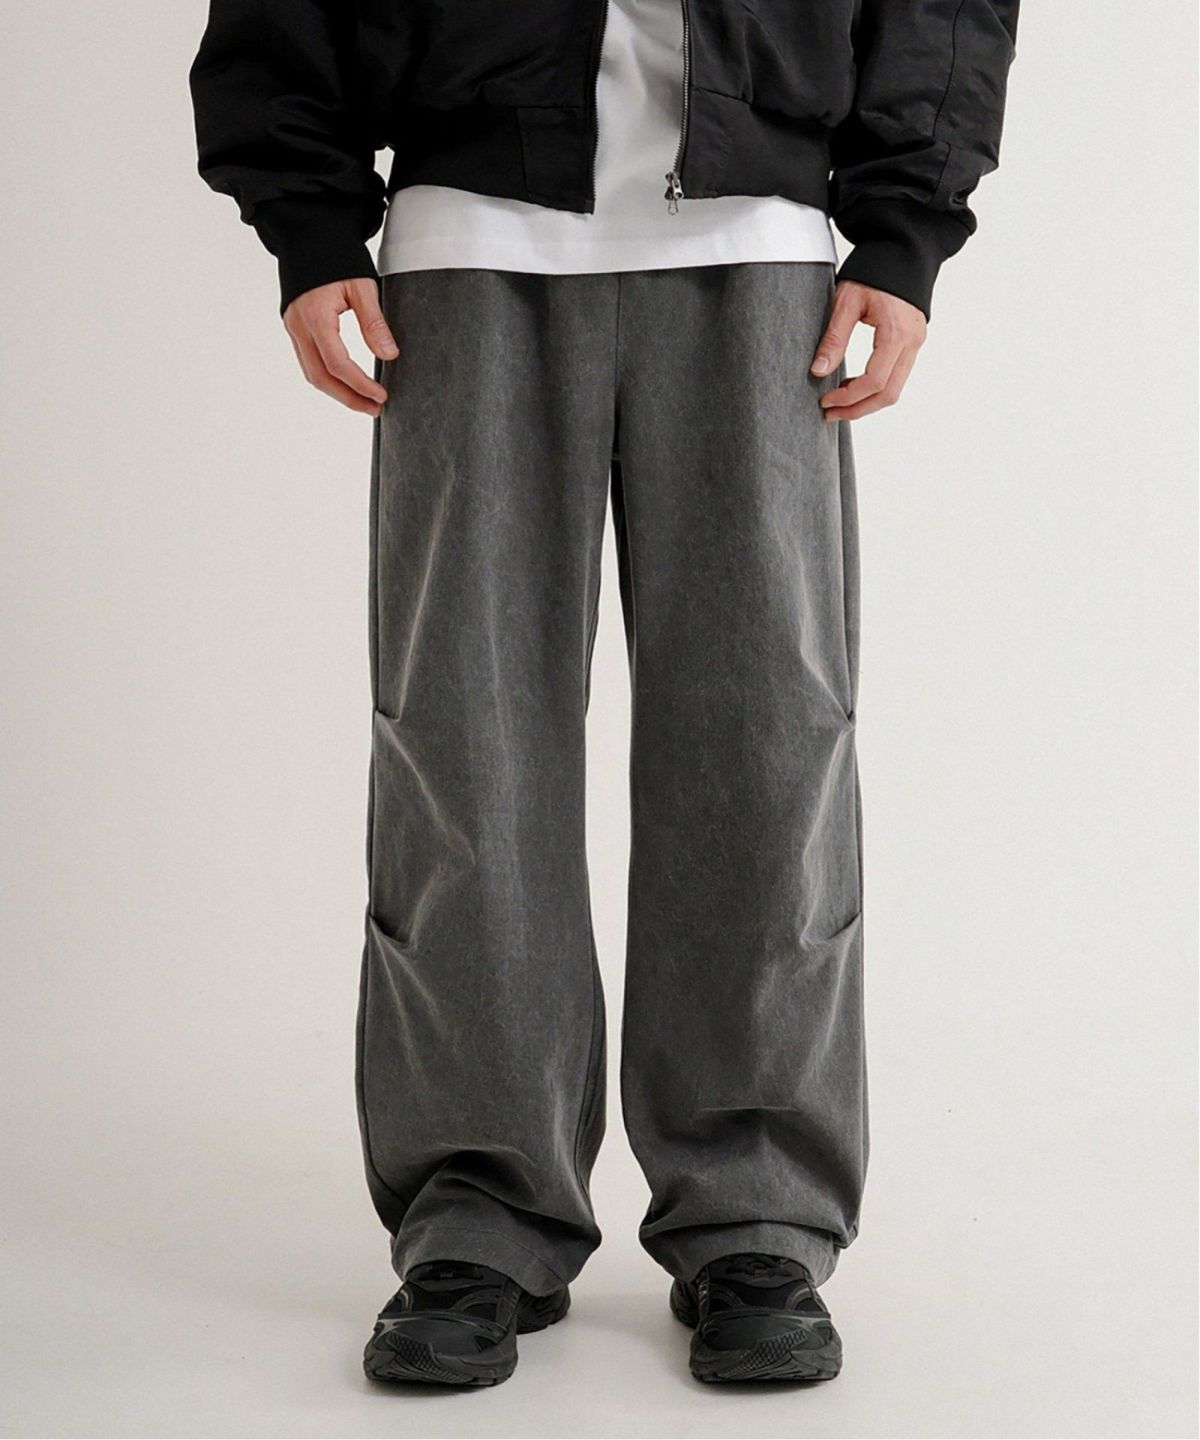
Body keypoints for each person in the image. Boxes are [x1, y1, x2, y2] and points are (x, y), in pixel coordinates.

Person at [190, 0, 1017, 1388]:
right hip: (468, 244)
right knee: (464, 748)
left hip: (759, 253)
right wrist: (309, 218)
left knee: (768, 746)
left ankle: (758, 1215)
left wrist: (905, 229)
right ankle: (478, 1212)